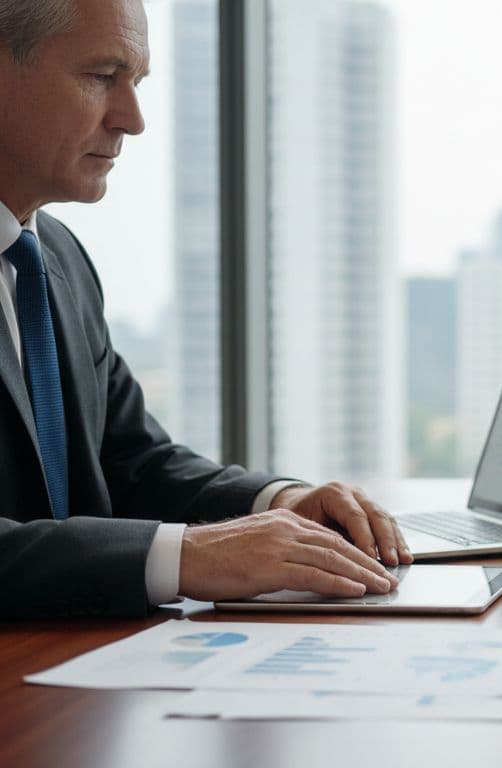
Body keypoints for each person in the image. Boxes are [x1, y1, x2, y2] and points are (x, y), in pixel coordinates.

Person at [0, 0, 412, 618]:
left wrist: (278, 502)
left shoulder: (53, 254)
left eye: (135, 83)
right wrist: (185, 556)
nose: (133, 120)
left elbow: (133, 461)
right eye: (100, 76)